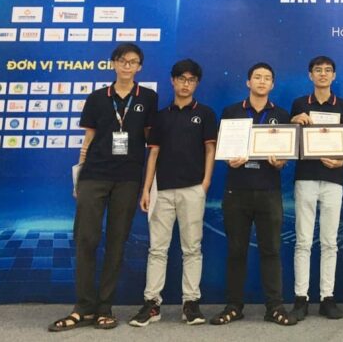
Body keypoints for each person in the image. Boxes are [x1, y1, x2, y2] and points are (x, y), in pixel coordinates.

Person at [49, 43, 158, 332]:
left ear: (140, 67)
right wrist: (80, 176)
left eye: (133, 62)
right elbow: (88, 139)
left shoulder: (148, 98)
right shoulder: (98, 98)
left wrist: (149, 183)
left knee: (117, 241)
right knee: (86, 239)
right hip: (94, 175)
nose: (127, 66)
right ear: (113, 64)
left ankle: (104, 307)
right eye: (122, 61)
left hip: (128, 177)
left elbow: (152, 141)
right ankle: (83, 306)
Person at [130, 59, 217, 327]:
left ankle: (190, 303)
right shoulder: (161, 116)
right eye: (181, 79)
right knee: (158, 249)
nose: (185, 84)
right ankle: (152, 303)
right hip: (162, 190)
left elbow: (210, 150)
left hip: (193, 189)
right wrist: (146, 189)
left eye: (191, 80)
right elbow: (153, 153)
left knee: (192, 248)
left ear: (196, 83)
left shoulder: (205, 113)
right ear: (173, 80)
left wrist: (205, 183)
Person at [210, 63, 297, 327]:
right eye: (257, 77)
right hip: (237, 190)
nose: (261, 81)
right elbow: (224, 146)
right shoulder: (232, 111)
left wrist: (281, 161)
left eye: (267, 78)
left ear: (272, 84)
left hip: (269, 191)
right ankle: (234, 306)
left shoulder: (281, 114)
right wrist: (228, 158)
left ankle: (275, 307)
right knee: (236, 251)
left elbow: (285, 154)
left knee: (271, 250)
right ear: (248, 82)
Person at [289, 56, 343, 321]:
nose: (323, 74)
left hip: (333, 178)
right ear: (310, 75)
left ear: (334, 76)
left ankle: (327, 298)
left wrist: (342, 159)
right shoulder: (300, 104)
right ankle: (301, 298)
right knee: (303, 241)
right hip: (305, 177)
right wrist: (294, 121)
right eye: (318, 70)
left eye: (328, 70)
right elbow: (291, 140)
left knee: (329, 242)